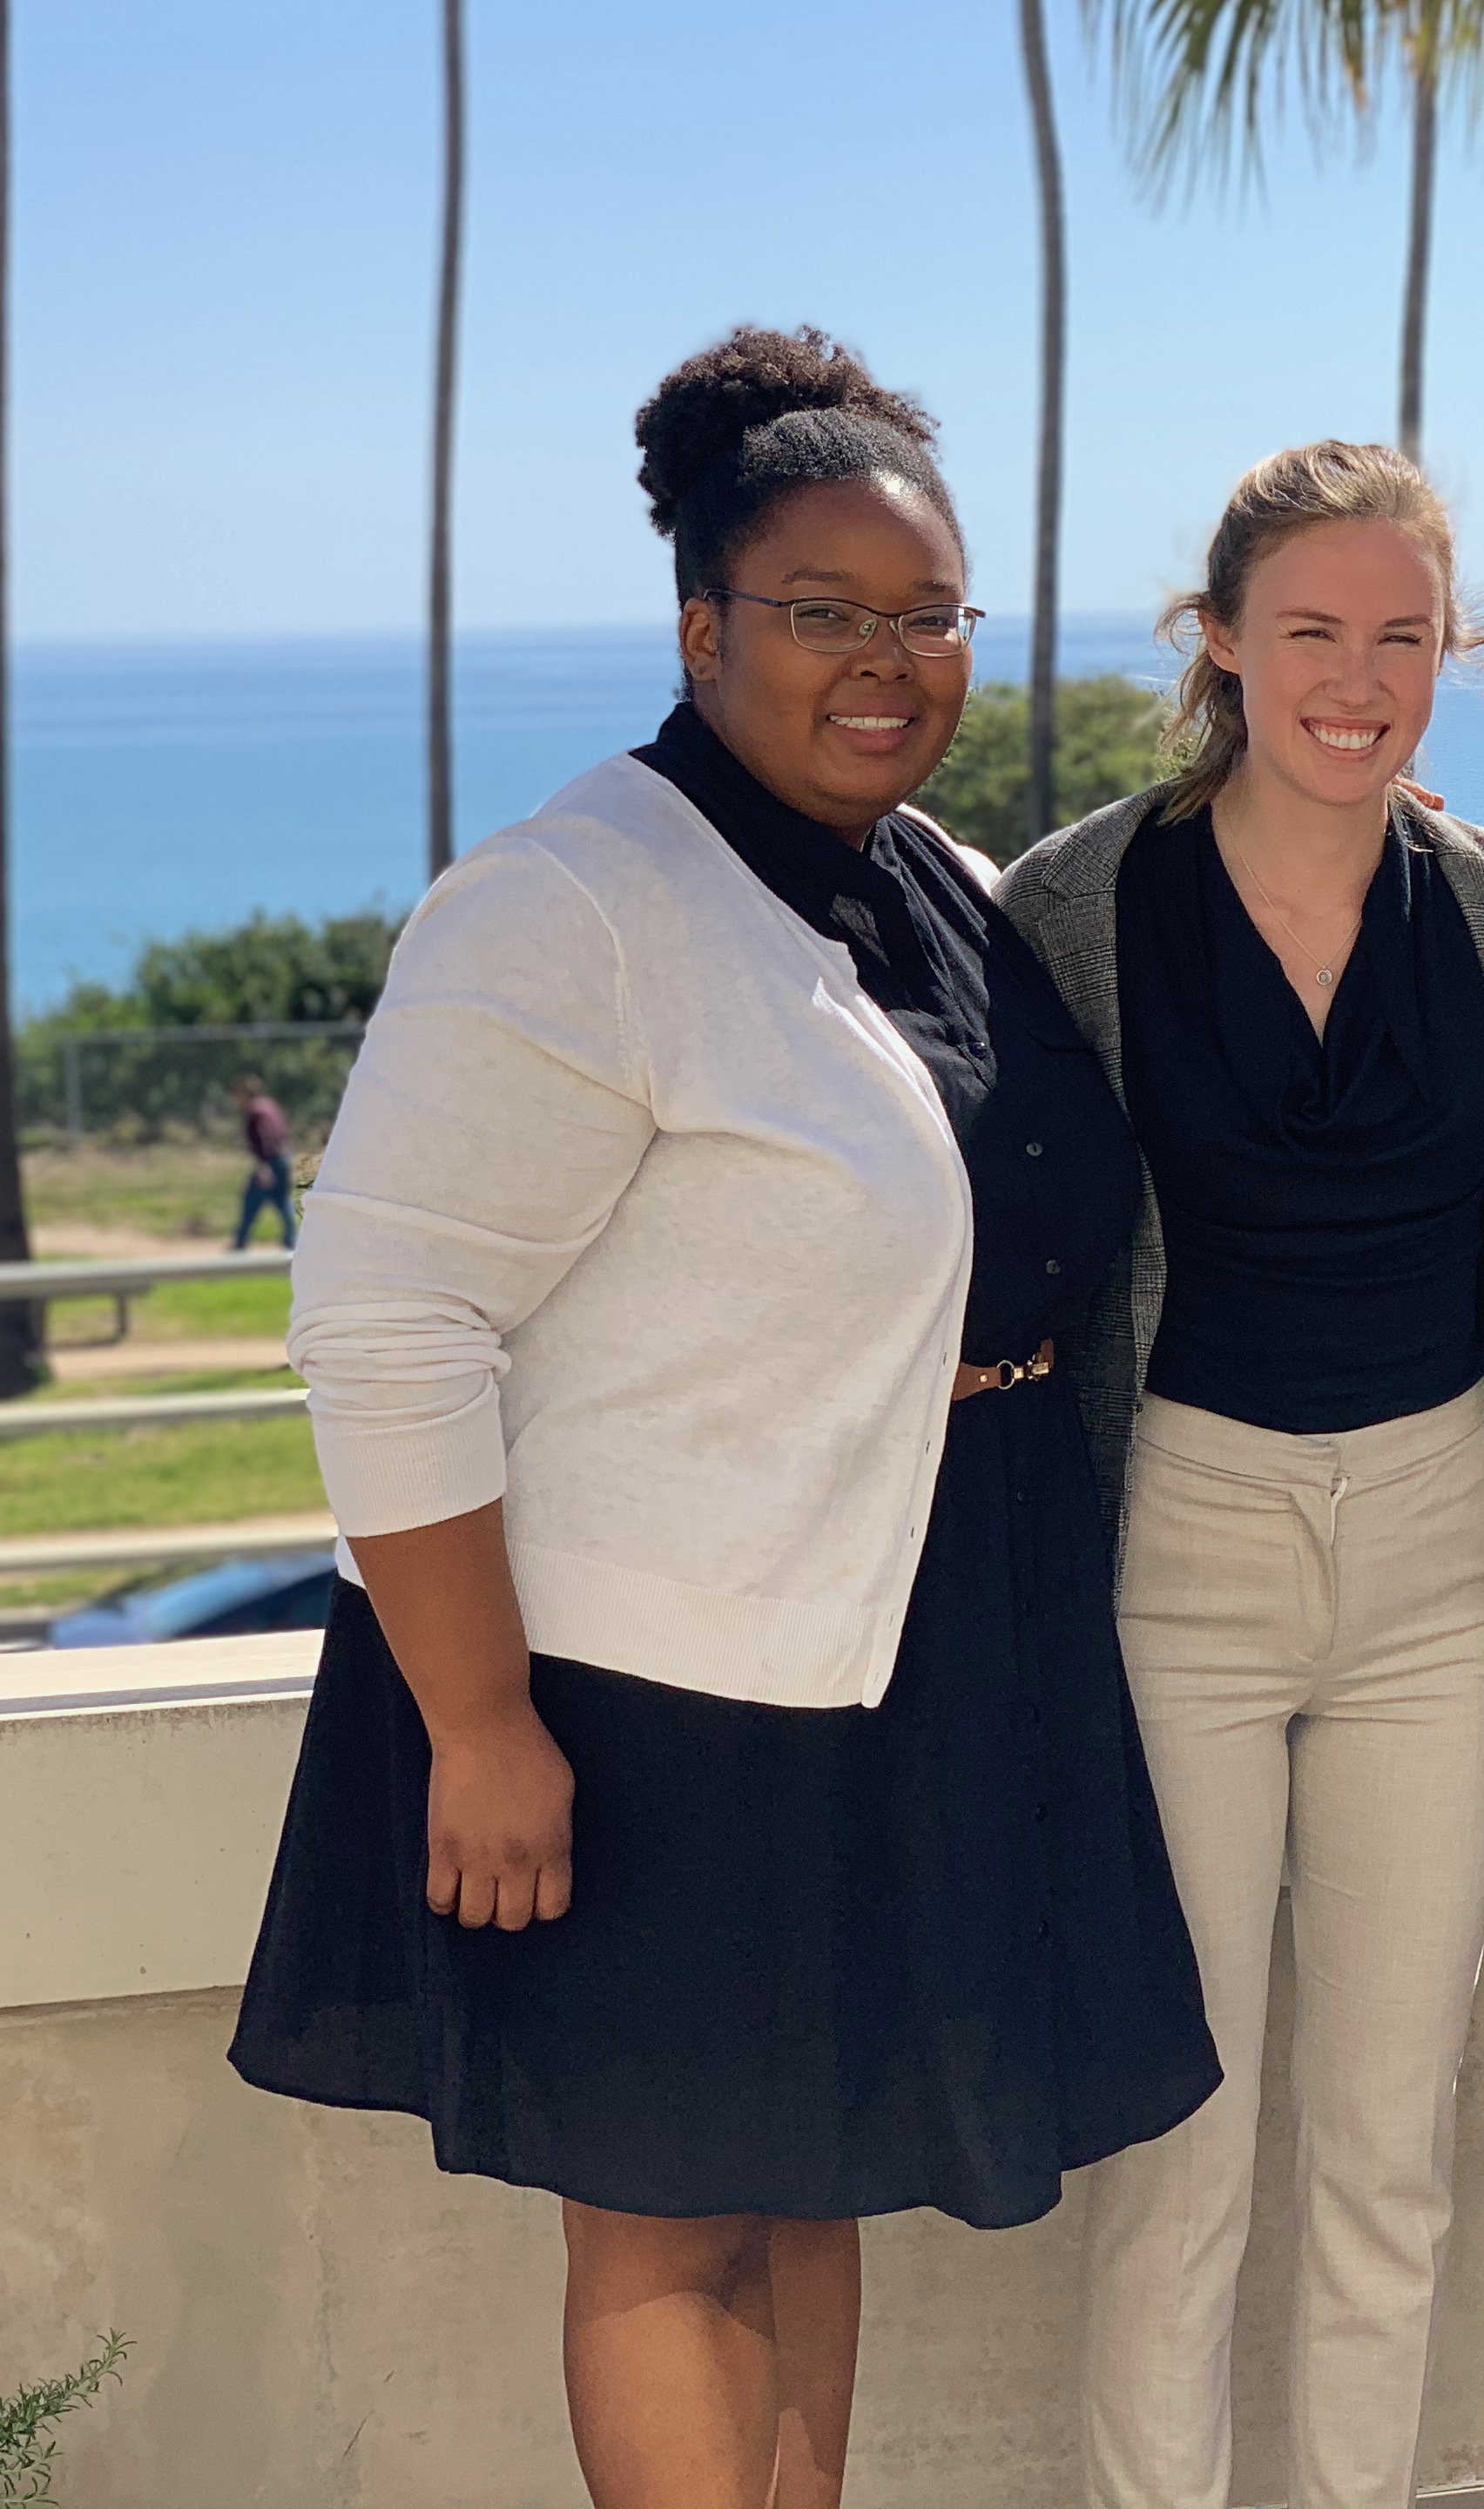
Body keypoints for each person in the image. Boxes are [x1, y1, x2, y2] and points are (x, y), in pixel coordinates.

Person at [228, 327, 1218, 2509]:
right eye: (822, 614)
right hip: (654, 1691)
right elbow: (387, 1318)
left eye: (925, 616)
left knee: (812, 2191)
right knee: (674, 2226)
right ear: (703, 626)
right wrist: (479, 1726)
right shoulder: (575, 900)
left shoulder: (937, 885)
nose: (886, 661)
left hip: (908, 1645)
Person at [995, 440, 1484, 2509]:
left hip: (1438, 1555)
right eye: (1312, 629)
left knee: (1387, 2156)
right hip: (1178, 1550)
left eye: (1402, 635)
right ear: (1223, 641)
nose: (1358, 674)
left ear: (1452, 654)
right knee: (1181, 2149)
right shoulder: (1078, 903)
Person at [231, 1072, 296, 1248]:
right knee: (282, 1200)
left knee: (252, 1199)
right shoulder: (270, 1105)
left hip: (270, 1160)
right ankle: (292, 1240)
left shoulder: (255, 1110)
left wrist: (263, 1165)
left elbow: (263, 1136)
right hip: (285, 1156)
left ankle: (240, 1241)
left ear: (245, 1092)